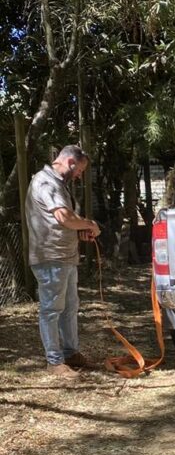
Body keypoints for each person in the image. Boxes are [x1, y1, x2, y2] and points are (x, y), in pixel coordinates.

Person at [26, 145, 101, 378]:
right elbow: (63, 216)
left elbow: (60, 222)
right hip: (51, 258)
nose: (79, 175)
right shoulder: (45, 182)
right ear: (70, 162)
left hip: (66, 257)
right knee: (52, 310)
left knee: (69, 308)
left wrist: (79, 232)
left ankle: (70, 353)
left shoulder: (59, 184)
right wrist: (89, 224)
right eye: (79, 170)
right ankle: (55, 361)